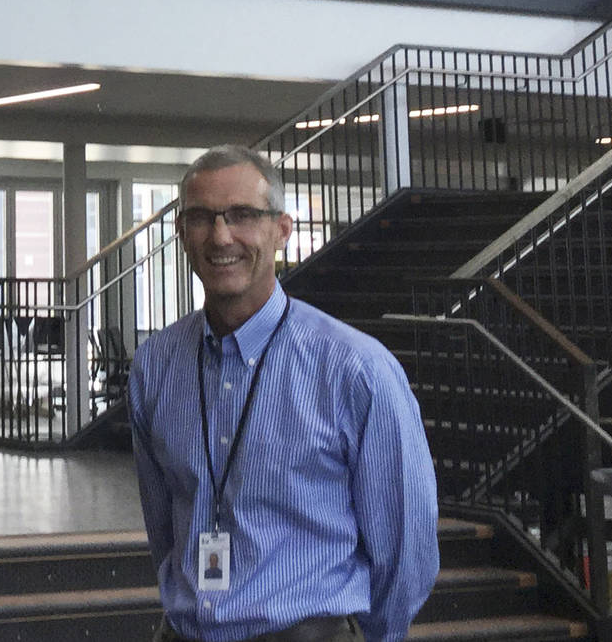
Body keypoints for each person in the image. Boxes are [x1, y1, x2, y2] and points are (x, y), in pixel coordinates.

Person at [129, 145, 439, 642]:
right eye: (201, 218)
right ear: (181, 234)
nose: (221, 236)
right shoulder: (155, 366)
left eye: (243, 216)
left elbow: (406, 552)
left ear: (282, 230)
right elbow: (163, 529)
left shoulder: (356, 370)